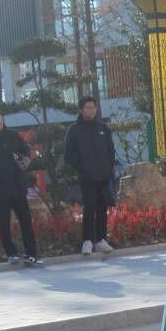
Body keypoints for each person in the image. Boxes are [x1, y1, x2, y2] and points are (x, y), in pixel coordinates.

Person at [0, 107, 44, 266]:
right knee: (4, 223)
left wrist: (25, 159)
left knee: (26, 221)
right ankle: (11, 254)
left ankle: (31, 254)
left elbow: (25, 149)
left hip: (18, 185)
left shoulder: (13, 135)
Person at [64, 96, 116, 255]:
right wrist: (82, 169)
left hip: (103, 176)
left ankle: (101, 240)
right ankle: (87, 241)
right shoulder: (74, 130)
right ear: (81, 110)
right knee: (89, 207)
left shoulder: (103, 128)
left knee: (102, 207)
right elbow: (69, 154)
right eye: (88, 107)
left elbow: (110, 151)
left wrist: (108, 169)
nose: (91, 110)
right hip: (87, 176)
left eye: (93, 107)